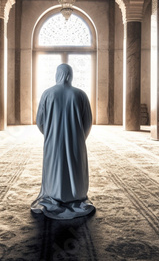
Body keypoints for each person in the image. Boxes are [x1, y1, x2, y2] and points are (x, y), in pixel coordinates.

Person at [31, 63, 95, 220]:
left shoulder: (48, 93)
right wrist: (79, 137)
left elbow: (39, 121)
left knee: (55, 166)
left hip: (53, 140)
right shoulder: (80, 94)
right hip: (76, 140)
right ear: (70, 75)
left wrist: (51, 134)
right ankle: (75, 194)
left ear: (57, 74)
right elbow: (88, 122)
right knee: (74, 166)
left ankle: (55, 193)